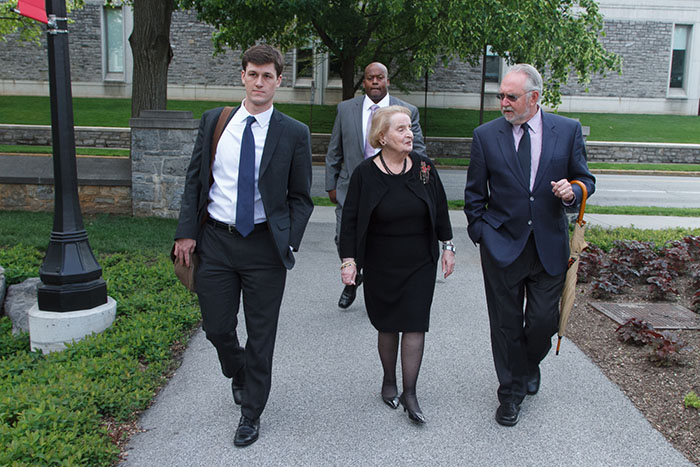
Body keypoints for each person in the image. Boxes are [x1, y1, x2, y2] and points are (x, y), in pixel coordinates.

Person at [173, 44, 313, 447]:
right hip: (216, 240)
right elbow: (195, 181)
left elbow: (301, 197)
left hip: (265, 248)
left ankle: (251, 413)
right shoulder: (215, 122)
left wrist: (289, 240)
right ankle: (238, 370)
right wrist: (186, 231)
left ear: (279, 81)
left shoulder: (293, 133)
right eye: (253, 74)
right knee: (217, 327)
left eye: (268, 75)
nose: (259, 82)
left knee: (262, 334)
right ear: (242, 76)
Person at [464, 64, 595, 427]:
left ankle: (526, 364)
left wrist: (574, 191)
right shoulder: (486, 136)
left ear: (534, 98)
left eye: (511, 97)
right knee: (505, 324)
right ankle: (510, 393)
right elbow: (474, 195)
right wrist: (482, 235)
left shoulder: (566, 131)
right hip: (501, 245)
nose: (503, 103)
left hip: (548, 245)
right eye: (500, 96)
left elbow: (586, 178)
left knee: (542, 321)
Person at [339, 105, 454, 424]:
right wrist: (349, 260)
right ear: (382, 137)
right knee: (388, 324)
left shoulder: (424, 168)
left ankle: (411, 392)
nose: (410, 134)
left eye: (410, 128)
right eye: (401, 129)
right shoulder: (365, 173)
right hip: (380, 263)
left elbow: (441, 208)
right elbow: (349, 220)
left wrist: (448, 246)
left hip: (420, 261)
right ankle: (389, 381)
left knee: (416, 323)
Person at [326, 62, 427, 309]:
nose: (374, 82)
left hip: (390, 189)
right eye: (370, 78)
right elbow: (334, 150)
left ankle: (374, 284)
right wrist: (331, 184)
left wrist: (414, 184)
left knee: (380, 241)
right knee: (344, 237)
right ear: (364, 82)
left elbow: (418, 150)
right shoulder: (346, 109)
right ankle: (352, 280)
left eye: (379, 77)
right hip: (350, 187)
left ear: (387, 81)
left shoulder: (406, 111)